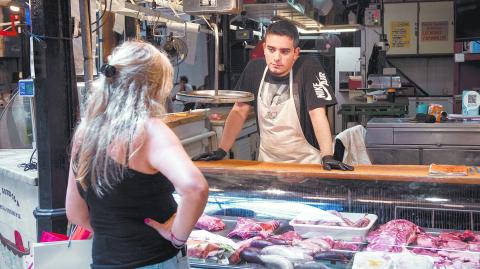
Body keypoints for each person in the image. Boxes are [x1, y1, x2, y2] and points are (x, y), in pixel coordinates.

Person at [66, 41, 209, 269]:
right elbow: (195, 188)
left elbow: (74, 212)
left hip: (104, 262)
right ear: (154, 85)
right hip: (154, 260)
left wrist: (118, 233)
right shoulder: (149, 130)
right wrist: (177, 237)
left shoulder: (85, 132)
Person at [193, 20, 353, 171]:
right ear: (264, 48)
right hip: (267, 162)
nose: (276, 58)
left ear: (296, 53)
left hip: (306, 163)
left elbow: (317, 114)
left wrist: (327, 155)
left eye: (284, 51)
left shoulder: (308, 68)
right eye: (271, 49)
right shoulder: (254, 69)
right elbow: (239, 111)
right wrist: (222, 150)